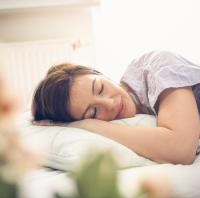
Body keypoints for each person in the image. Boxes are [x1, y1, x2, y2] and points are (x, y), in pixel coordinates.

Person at [32, 50, 200, 165]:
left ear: (99, 73)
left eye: (100, 88)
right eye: (93, 112)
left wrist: (90, 124)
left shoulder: (157, 65)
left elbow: (181, 149)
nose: (110, 103)